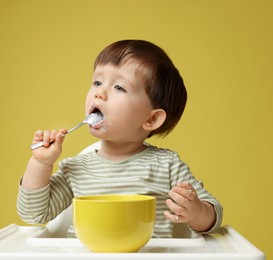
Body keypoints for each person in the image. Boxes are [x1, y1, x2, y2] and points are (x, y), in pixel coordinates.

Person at [17, 40, 223, 238]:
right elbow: (34, 214)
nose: (99, 93)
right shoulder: (75, 168)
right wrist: (40, 163)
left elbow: (213, 217)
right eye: (97, 82)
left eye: (119, 88)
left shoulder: (166, 165)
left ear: (151, 119)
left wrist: (196, 212)